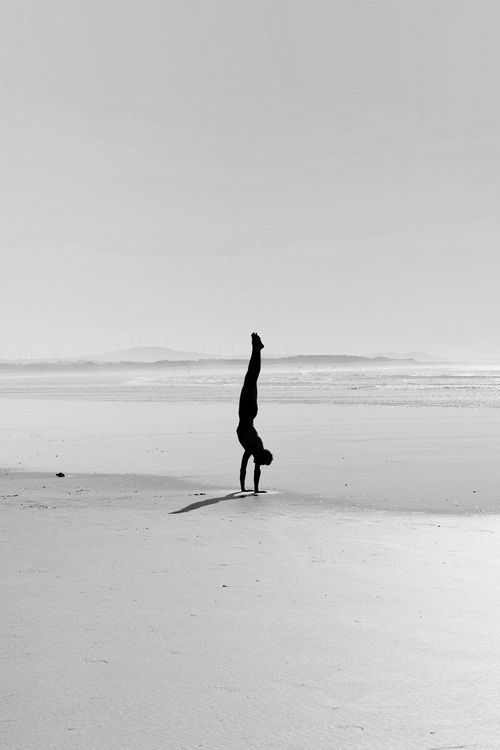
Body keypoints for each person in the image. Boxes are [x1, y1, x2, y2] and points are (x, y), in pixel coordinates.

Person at [236, 332, 273, 492]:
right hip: (247, 411)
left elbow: (250, 468)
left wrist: (252, 490)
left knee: (252, 378)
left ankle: (256, 349)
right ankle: (256, 349)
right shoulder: (253, 448)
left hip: (250, 413)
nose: (257, 465)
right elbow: (243, 468)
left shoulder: (257, 447)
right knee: (251, 378)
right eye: (260, 462)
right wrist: (245, 489)